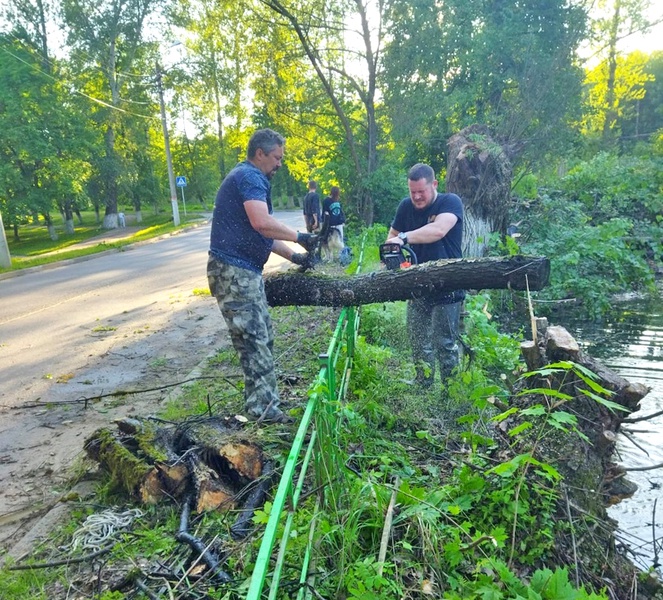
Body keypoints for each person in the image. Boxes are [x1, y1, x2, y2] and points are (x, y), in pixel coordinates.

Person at [207, 129, 318, 423]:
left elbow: (260, 234)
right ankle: (265, 411)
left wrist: (295, 255)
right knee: (255, 339)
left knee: (259, 337)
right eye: (277, 157)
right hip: (234, 273)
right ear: (260, 154)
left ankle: (259, 404)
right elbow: (262, 223)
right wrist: (301, 237)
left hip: (240, 271)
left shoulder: (248, 177)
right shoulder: (251, 177)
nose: (279, 164)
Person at [386, 163, 465, 388]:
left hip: (448, 284)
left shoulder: (450, 202)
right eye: (413, 192)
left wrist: (404, 238)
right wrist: (392, 254)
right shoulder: (405, 207)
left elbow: (438, 230)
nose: (417, 197)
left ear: (434, 185)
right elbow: (391, 237)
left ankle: (451, 391)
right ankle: (423, 383)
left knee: (445, 343)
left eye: (422, 191)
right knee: (418, 339)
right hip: (417, 284)